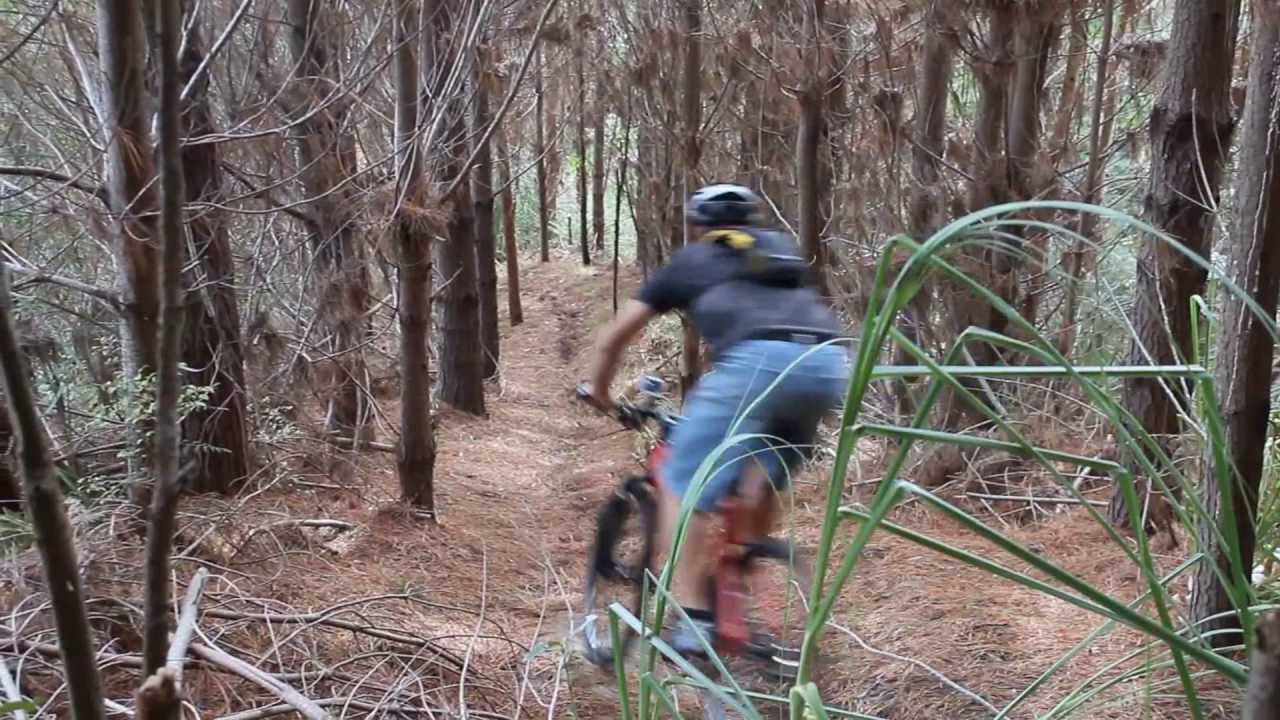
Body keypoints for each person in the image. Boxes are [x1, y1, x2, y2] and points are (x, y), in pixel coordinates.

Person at [584, 183, 849, 654]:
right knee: (759, 472)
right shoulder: (778, 251)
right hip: (828, 365)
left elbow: (615, 338)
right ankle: (742, 560)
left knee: (680, 482)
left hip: (756, 364)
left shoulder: (694, 259)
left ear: (697, 226)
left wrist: (600, 393)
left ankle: (696, 620)